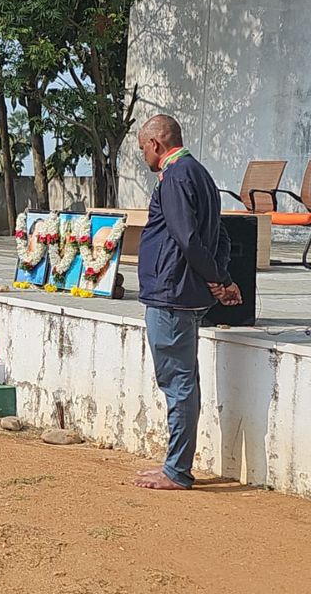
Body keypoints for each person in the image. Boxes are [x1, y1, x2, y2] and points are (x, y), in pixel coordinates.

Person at [134, 114, 242, 490]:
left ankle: (177, 470)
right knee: (182, 381)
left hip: (172, 294)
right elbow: (220, 237)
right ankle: (174, 465)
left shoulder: (176, 176)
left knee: (178, 384)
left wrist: (217, 279)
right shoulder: (200, 174)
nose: (144, 157)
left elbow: (188, 238)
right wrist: (221, 279)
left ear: (156, 144)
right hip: (185, 293)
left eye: (143, 149)